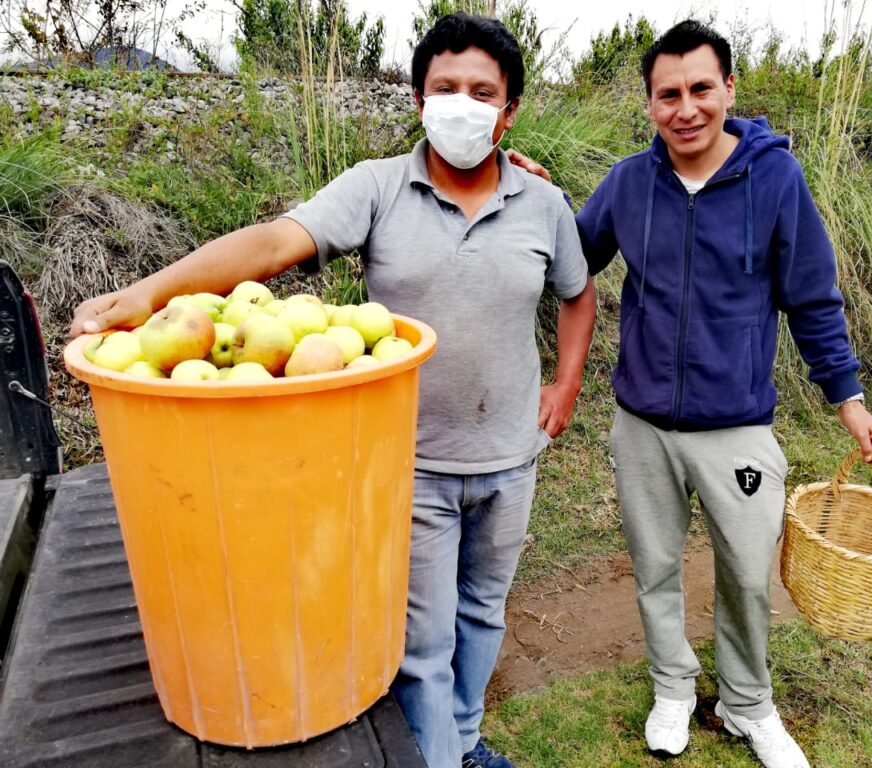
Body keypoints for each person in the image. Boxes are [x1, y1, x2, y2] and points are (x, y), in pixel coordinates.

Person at [71, 13, 596, 768]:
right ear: (419, 100)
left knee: (483, 611)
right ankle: (437, 759)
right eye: (445, 87)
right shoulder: (378, 187)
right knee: (423, 634)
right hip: (409, 462)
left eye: (483, 92)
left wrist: (566, 383)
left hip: (513, 455)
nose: (462, 103)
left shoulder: (544, 205)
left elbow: (578, 294)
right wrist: (148, 296)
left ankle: (467, 737)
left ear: (509, 111)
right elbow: (276, 243)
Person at [511, 18, 872, 768]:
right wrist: (544, 202)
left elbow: (812, 298)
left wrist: (847, 399)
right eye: (667, 94)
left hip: (737, 426)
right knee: (653, 567)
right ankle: (674, 691)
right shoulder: (628, 181)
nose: (685, 109)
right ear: (649, 103)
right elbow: (574, 261)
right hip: (641, 423)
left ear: (728, 90)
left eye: (700, 90)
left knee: (747, 573)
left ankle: (750, 704)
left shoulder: (777, 179)